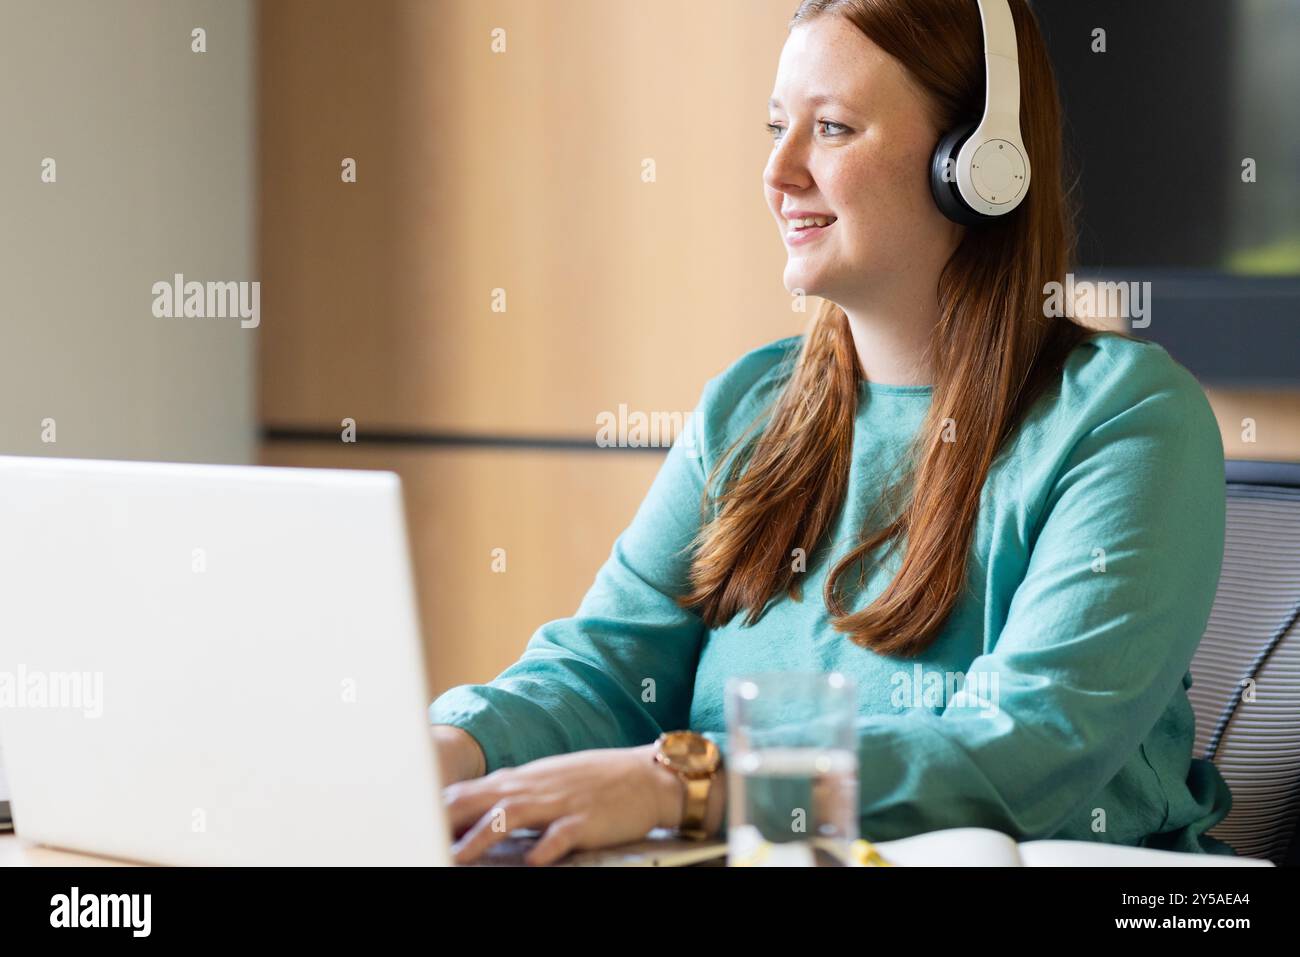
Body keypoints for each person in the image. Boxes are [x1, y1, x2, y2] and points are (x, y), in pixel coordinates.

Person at [429, 0, 1233, 866]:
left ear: (975, 164)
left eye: (833, 128)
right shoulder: (749, 406)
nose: (778, 170)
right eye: (777, 126)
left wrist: (688, 787)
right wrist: (447, 750)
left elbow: (1025, 744)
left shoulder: (1128, 419)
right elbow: (606, 669)